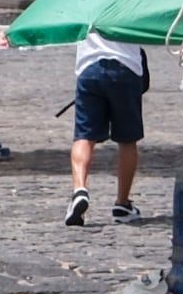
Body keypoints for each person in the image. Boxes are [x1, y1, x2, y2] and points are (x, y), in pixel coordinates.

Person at [65, 20, 151, 226]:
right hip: (126, 67)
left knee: (84, 136)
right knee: (127, 140)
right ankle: (122, 203)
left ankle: (79, 190)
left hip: (89, 67)